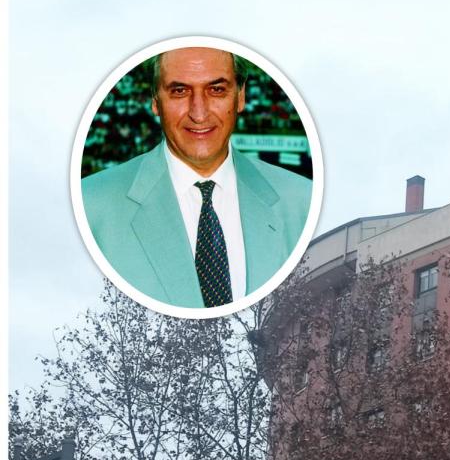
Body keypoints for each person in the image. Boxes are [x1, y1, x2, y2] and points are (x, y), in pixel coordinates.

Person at [81, 47, 312, 309]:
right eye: (180, 91)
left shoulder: (301, 202)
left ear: (241, 96)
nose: (199, 113)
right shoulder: (92, 208)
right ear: (155, 100)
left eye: (216, 90)